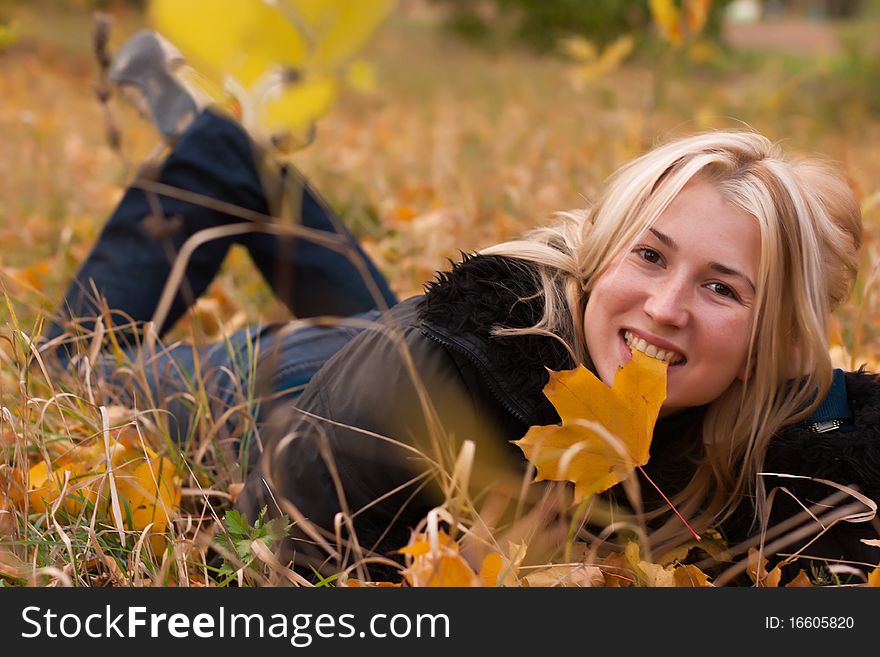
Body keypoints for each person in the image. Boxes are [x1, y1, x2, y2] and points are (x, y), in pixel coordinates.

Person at [43, 31, 879, 585]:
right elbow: (270, 558)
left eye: (722, 285)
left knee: (408, 336)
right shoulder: (421, 370)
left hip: (414, 355)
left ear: (775, 335)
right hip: (291, 394)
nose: (666, 306)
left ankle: (232, 152)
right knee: (68, 370)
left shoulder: (781, 429)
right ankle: (218, 150)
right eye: (650, 254)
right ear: (603, 249)